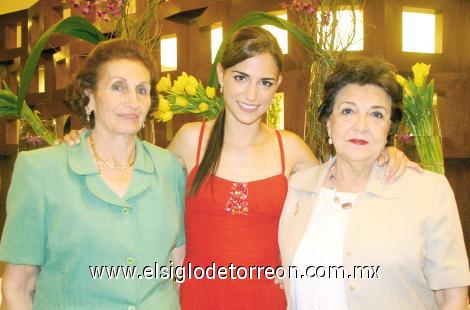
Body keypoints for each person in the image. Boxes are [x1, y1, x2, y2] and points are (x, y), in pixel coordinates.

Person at [62, 27, 415, 308]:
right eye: (241, 77)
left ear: (276, 86)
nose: (251, 95)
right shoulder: (190, 140)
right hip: (196, 297)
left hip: (269, 298)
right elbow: (131, 178)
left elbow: (339, 192)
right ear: (221, 74)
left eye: (264, 83)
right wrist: (89, 141)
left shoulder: (289, 149)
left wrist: (383, 156)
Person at [0, 39, 185, 309]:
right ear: (89, 96)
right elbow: (17, 286)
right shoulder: (41, 171)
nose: (133, 101)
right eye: (118, 87)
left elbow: (176, 266)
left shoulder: (169, 167)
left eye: (142, 90)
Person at [279, 57, 470, 309]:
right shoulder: (299, 188)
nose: (361, 126)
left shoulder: (428, 192)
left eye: (376, 115)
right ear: (328, 123)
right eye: (348, 111)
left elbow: (452, 296)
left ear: (388, 128)